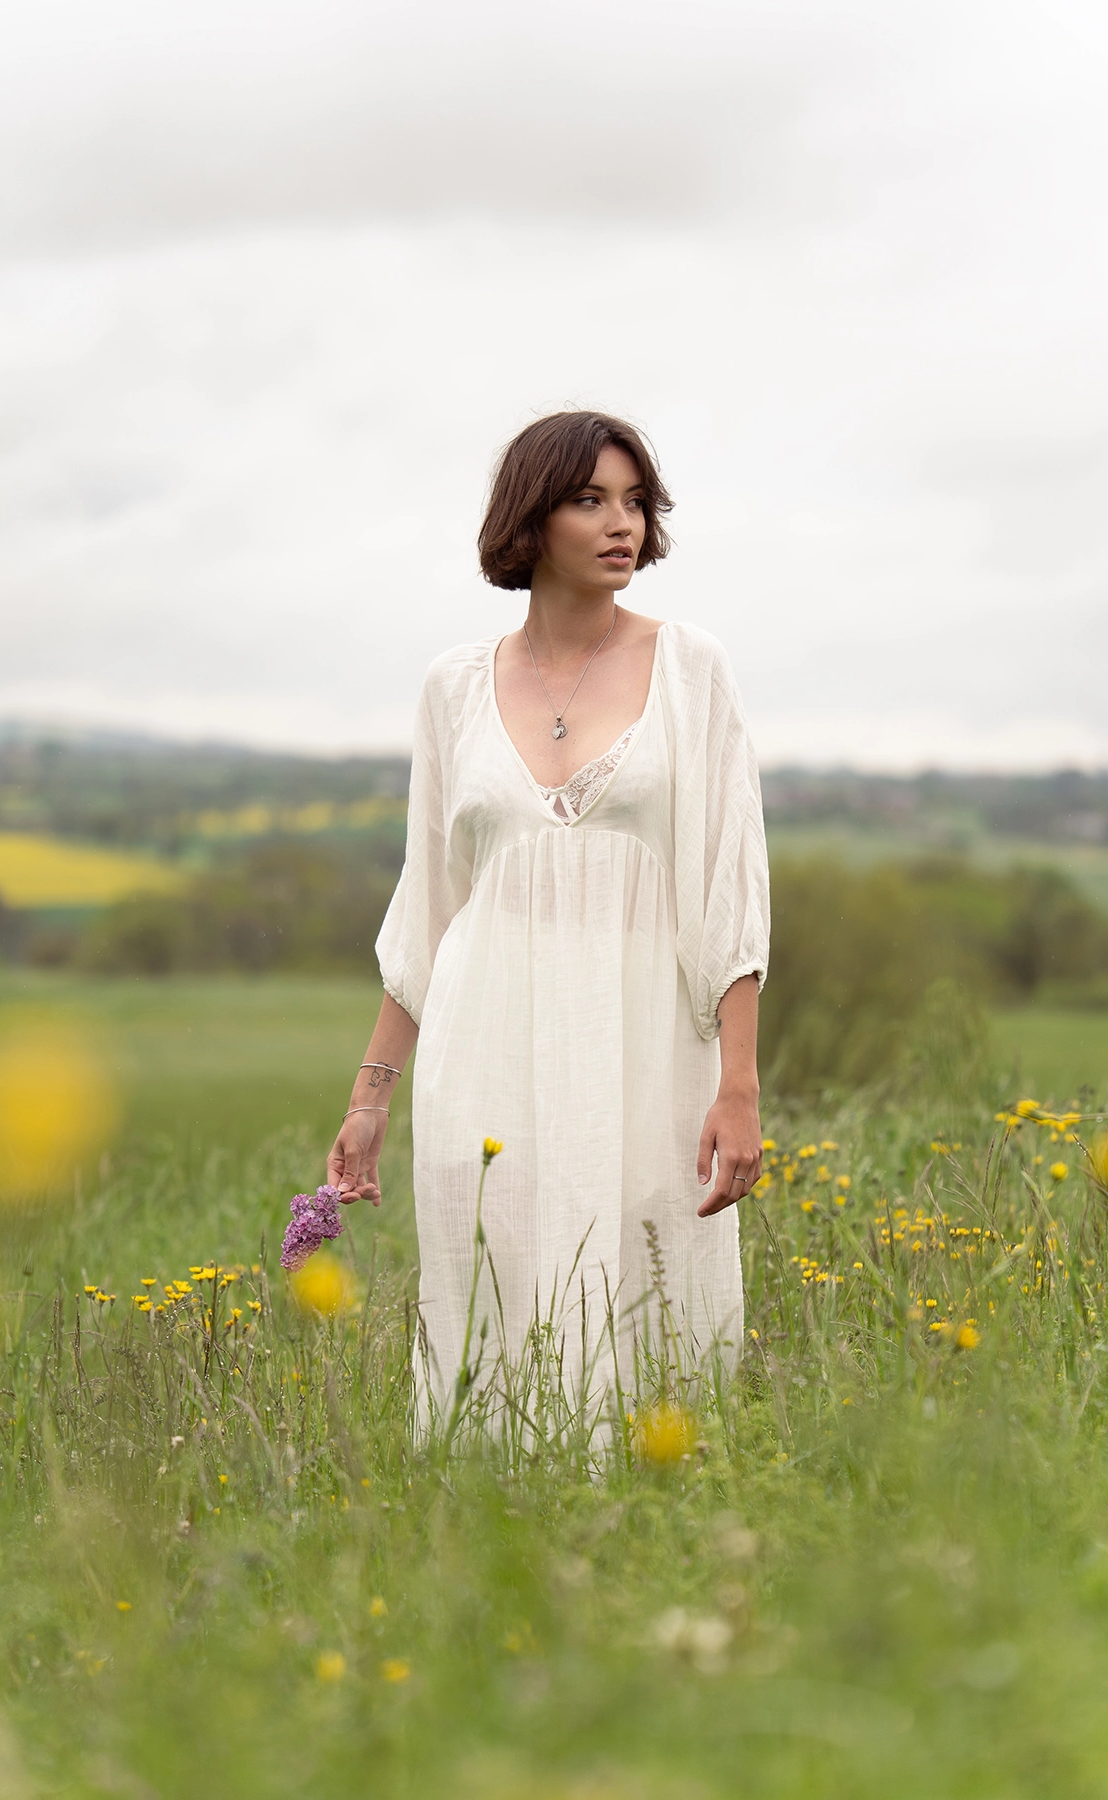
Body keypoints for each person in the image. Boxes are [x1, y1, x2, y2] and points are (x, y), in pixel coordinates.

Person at [327, 411, 769, 1419]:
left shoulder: (691, 667)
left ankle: (655, 1527)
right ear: (532, 518)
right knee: (498, 1299)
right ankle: (499, 1534)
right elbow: (432, 908)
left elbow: (730, 885)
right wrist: (370, 1098)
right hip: (488, 1052)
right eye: (589, 500)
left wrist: (737, 1084)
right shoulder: (453, 689)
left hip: (648, 1048)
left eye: (634, 503)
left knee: (653, 1305)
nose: (623, 525)